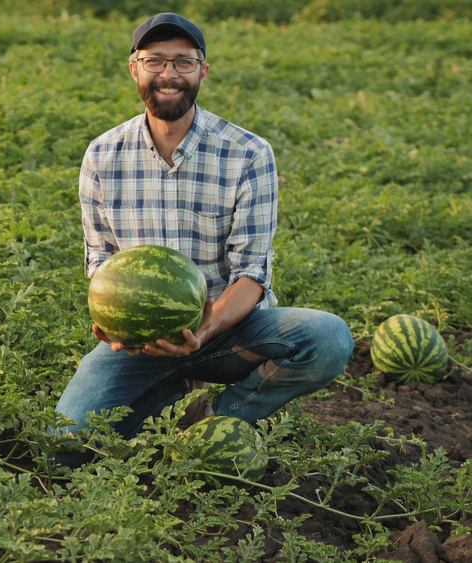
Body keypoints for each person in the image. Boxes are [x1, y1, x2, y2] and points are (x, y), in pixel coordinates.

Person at [53, 13, 354, 468]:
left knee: (327, 337)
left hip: (230, 329)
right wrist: (115, 328)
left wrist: (204, 329)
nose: (169, 74)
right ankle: (171, 394)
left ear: (202, 72)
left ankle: (215, 420)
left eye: (184, 62)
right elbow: (102, 263)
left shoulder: (248, 154)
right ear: (134, 68)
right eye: (155, 60)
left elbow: (252, 274)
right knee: (65, 449)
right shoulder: (102, 155)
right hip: (142, 342)